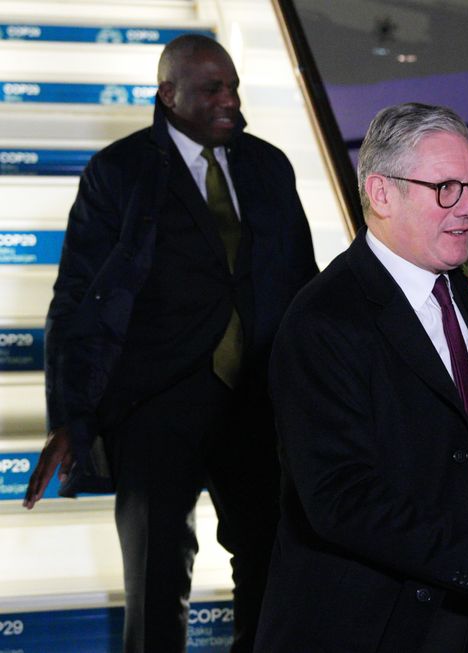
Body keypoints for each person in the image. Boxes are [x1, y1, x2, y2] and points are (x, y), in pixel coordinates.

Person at [253, 102, 468, 652]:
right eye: (445, 189)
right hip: (382, 623)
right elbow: (343, 501)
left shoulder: (457, 290)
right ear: (382, 193)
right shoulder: (323, 320)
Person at [23, 34, 318, 652]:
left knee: (270, 564)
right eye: (212, 88)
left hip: (255, 401)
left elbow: (302, 284)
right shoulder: (120, 170)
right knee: (157, 579)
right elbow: (78, 297)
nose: (229, 100)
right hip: (154, 404)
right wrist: (71, 415)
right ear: (168, 95)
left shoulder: (268, 165)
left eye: (233, 86)